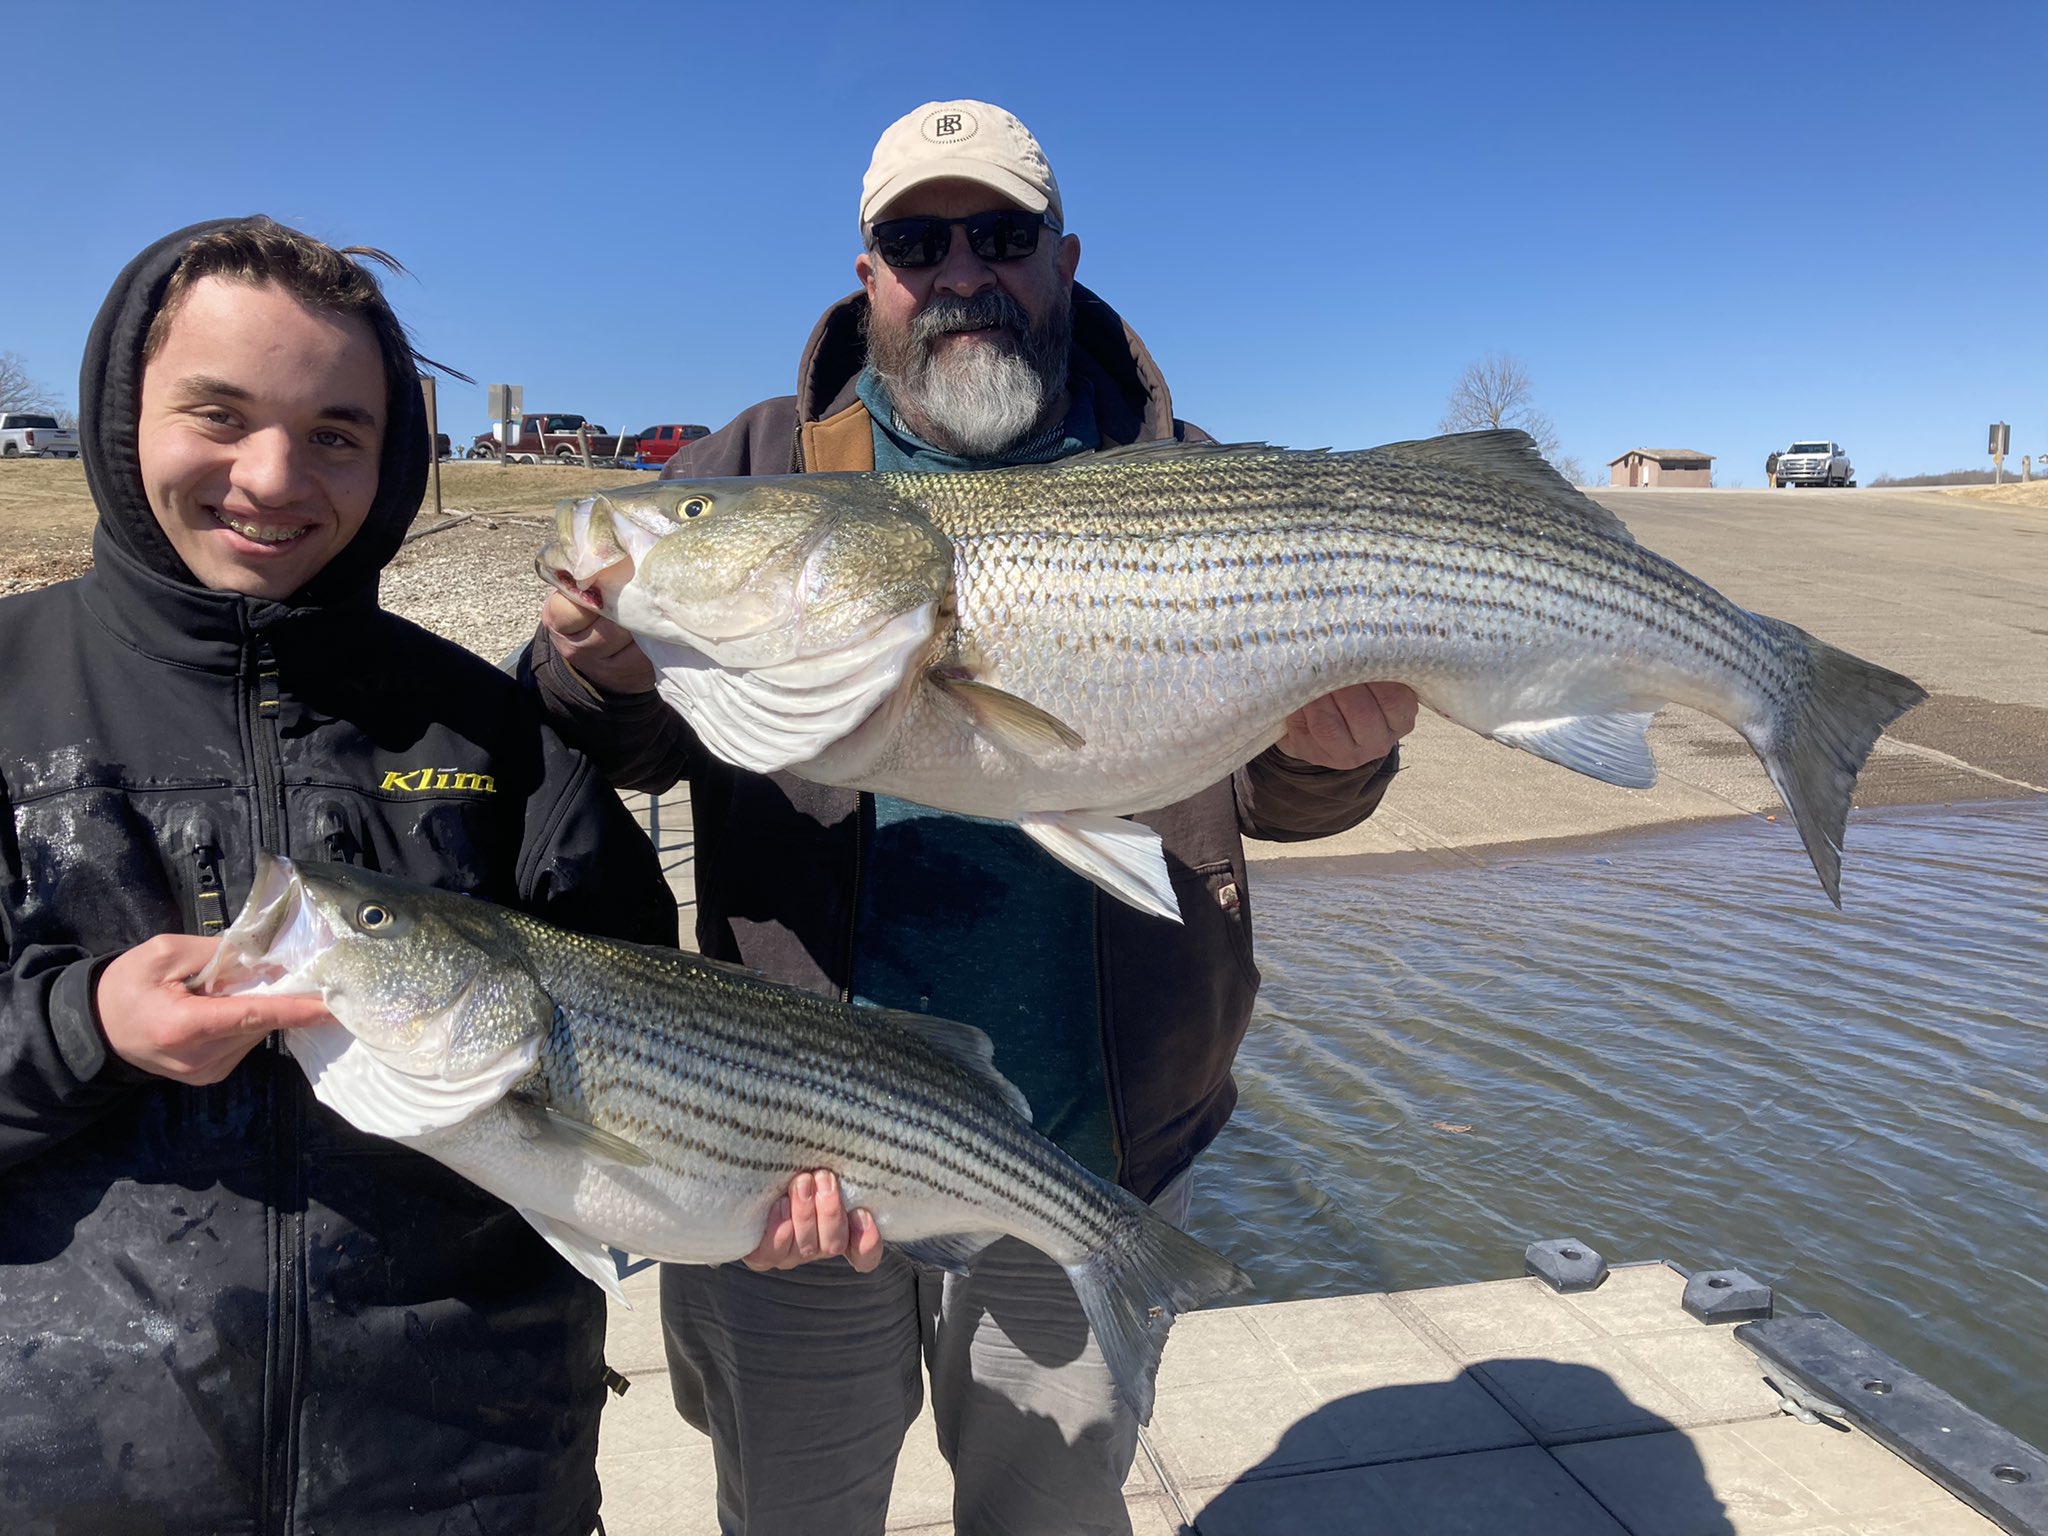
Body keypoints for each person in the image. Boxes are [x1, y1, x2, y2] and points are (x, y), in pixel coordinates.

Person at [532, 100, 1419, 1535]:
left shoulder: (1199, 478)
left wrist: (1338, 758)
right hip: (786, 1147)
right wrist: (587, 666)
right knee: (794, 1512)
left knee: (1053, 1515)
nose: (962, 271)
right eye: (918, 240)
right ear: (869, 271)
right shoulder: (745, 473)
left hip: (1094, 1138)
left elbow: (1276, 789)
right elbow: (604, 739)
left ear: (1063, 259)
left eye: (1001, 236)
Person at [0, 217, 678, 1533]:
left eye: (335, 434)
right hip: (61, 1474)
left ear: (394, 453)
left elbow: (652, 1046)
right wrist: (89, 1026)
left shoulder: (490, 734)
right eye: (219, 413)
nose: (271, 474)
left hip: (473, 1473)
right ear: (121, 411)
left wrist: (779, 1182)